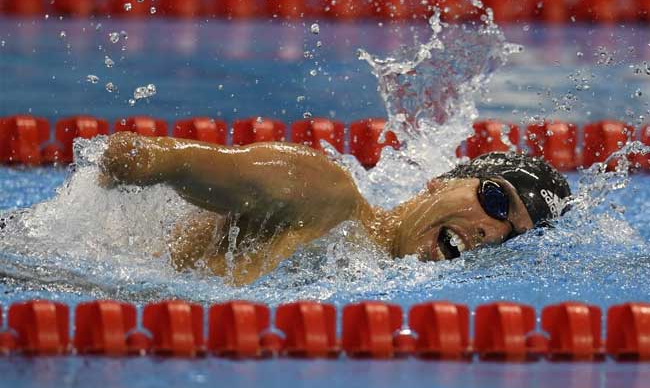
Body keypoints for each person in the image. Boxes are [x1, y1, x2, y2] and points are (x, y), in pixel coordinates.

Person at [100, 131, 571, 285]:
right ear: (439, 184)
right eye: (494, 200)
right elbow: (143, 158)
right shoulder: (326, 194)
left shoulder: (373, 273)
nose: (490, 230)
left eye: (511, 232)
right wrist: (144, 164)